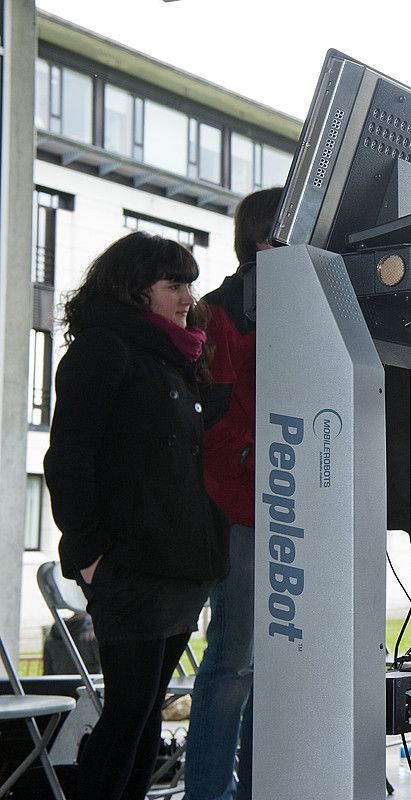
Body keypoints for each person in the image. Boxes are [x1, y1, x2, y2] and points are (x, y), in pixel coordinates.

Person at [43, 231, 229, 800]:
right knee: (128, 714)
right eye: (174, 284)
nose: (188, 296)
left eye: (190, 284)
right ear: (136, 288)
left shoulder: (175, 357)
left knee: (147, 713)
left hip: (176, 568)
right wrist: (89, 554)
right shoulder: (107, 349)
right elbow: (69, 459)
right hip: (130, 568)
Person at [184, 187, 282, 800]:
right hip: (242, 506)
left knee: (270, 669)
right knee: (233, 663)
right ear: (260, 238)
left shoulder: (305, 303)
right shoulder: (223, 311)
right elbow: (217, 424)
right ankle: (209, 793)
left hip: (288, 507)